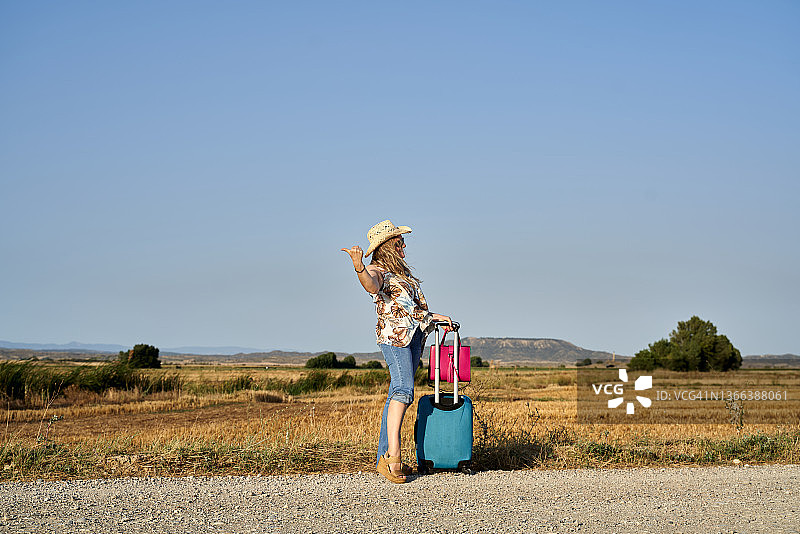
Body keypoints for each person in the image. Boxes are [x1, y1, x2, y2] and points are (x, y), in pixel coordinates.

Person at [341, 220, 452, 483]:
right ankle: (394, 457)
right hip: (394, 339)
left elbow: (410, 309)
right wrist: (358, 266)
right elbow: (371, 285)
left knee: (396, 394)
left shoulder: (401, 275)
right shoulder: (376, 270)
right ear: (388, 246)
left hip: (413, 337)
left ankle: (383, 456)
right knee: (403, 391)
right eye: (400, 242)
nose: (404, 246)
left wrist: (435, 317)